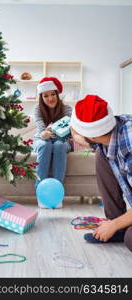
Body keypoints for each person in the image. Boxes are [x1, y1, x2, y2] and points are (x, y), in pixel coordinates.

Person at [70, 94, 132, 252]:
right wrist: (75, 133)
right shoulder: (111, 131)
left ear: (93, 135)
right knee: (101, 154)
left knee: (130, 239)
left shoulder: (129, 146)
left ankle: (118, 226)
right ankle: (119, 227)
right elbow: (89, 140)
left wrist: (113, 225)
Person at [33, 77, 72, 208]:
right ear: (41, 97)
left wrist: (55, 131)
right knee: (45, 145)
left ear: (57, 94)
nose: (50, 98)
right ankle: (40, 192)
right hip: (42, 139)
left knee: (59, 145)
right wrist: (44, 133)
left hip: (62, 140)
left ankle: (56, 193)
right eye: (46, 96)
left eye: (53, 94)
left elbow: (69, 129)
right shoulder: (37, 109)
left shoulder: (67, 109)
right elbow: (41, 129)